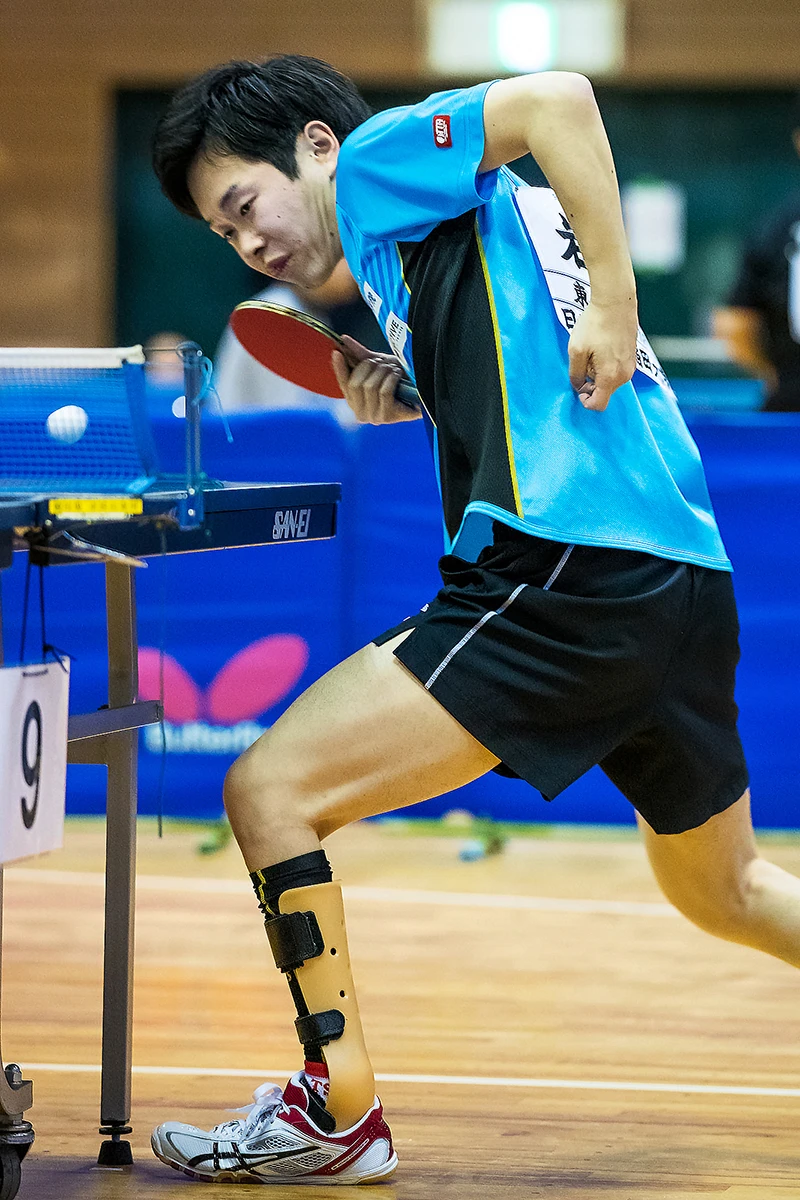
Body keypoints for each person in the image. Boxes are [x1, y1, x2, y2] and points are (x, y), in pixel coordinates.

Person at [150, 56, 800, 1184]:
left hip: (564, 569)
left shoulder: (369, 168)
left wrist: (619, 298)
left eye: (245, 204)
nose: (248, 243)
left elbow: (559, 99)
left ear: (313, 147)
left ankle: (336, 1111)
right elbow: (526, 375)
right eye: (223, 234)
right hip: (682, 575)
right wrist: (408, 385)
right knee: (726, 890)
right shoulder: (442, 234)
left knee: (268, 790)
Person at [713, 94, 800, 411]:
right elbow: (732, 322)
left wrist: (773, 374)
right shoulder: (775, 227)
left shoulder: (775, 225)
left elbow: (732, 324)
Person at [213, 258, 367, 424]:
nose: (353, 268)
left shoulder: (312, 315)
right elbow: (292, 419)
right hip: (244, 437)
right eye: (342, 257)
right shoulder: (275, 315)